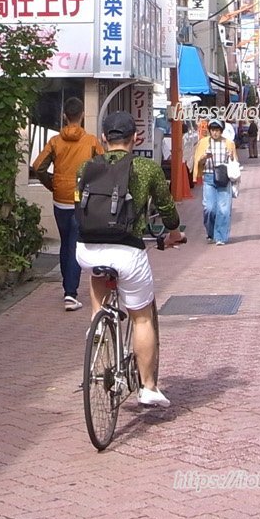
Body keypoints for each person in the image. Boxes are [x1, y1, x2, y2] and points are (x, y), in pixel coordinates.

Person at [75, 110, 185, 407]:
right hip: (127, 250)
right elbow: (166, 208)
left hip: (86, 249)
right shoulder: (147, 169)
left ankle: (97, 324)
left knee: (98, 271)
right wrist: (174, 233)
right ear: (135, 138)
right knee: (141, 316)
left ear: (102, 138)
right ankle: (148, 386)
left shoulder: (86, 167)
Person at [31, 97, 104, 312]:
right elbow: (102, 167)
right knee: (75, 244)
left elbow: (38, 166)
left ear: (65, 116)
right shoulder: (91, 141)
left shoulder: (55, 142)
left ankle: (67, 287)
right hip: (81, 199)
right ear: (82, 115)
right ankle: (70, 293)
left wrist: (52, 185)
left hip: (60, 198)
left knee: (65, 243)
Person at [191, 119, 239, 244]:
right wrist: (204, 157)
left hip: (224, 178)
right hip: (208, 177)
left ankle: (220, 237)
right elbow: (197, 162)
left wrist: (231, 156)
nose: (215, 133)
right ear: (209, 131)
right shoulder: (203, 143)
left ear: (221, 131)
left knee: (223, 209)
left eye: (217, 130)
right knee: (209, 208)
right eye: (213, 130)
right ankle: (211, 232)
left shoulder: (229, 143)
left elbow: (235, 163)